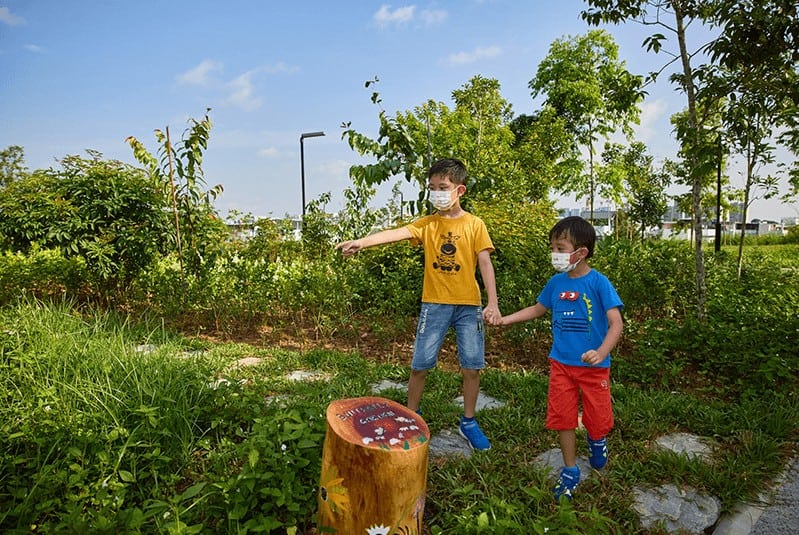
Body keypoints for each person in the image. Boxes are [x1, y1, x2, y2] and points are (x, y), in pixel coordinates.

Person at [335, 158, 500, 451]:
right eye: (432, 188)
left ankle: (469, 421)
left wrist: (493, 303)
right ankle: (411, 417)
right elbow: (396, 233)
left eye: (443, 187)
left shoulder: (475, 224)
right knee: (420, 365)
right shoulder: (428, 224)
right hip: (434, 305)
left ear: (459, 190)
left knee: (472, 367)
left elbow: (485, 262)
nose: (437, 192)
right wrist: (362, 241)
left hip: (469, 307)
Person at [488, 216, 623, 499]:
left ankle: (597, 439)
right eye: (553, 247)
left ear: (581, 252)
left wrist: (601, 352)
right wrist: (504, 320)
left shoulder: (599, 283)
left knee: (597, 419)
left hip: (594, 370)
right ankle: (570, 469)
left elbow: (616, 324)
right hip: (561, 365)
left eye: (560, 248)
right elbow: (537, 309)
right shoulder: (555, 283)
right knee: (563, 418)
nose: (555, 254)